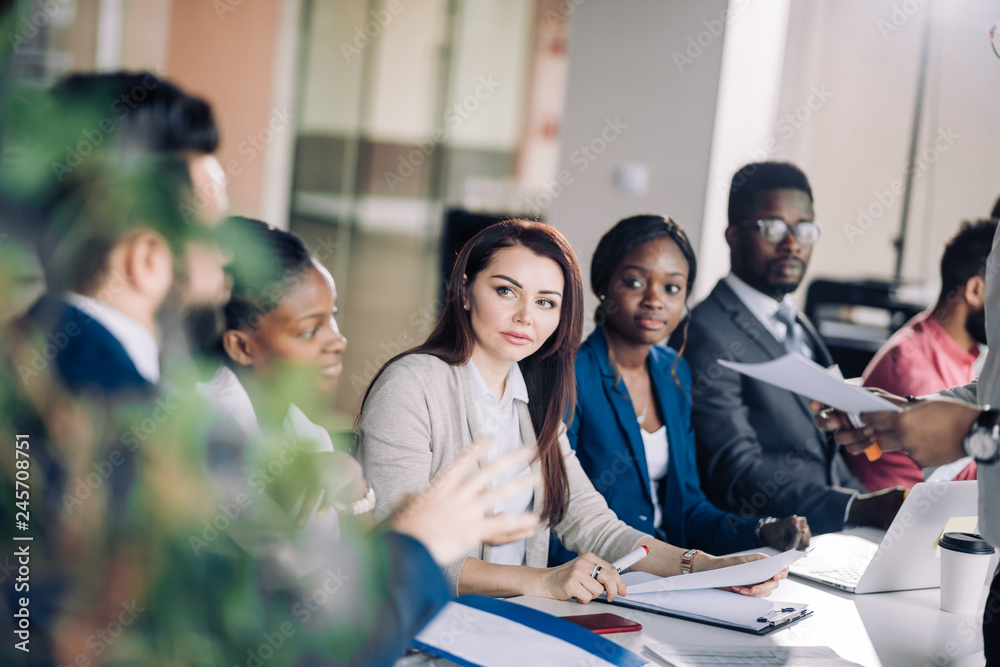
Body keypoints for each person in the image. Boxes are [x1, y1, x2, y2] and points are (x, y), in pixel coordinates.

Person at [359, 218, 786, 605]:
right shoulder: (412, 385)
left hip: (510, 628)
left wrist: (708, 566)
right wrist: (542, 580)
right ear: (465, 290)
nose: (525, 316)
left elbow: (596, 527)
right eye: (505, 290)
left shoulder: (535, 399)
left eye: (546, 302)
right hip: (422, 628)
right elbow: (398, 550)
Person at [551, 214, 809, 568]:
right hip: (591, 578)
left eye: (672, 288)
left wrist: (762, 530)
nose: (655, 300)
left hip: (665, 574)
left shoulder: (673, 372)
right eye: (635, 282)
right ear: (603, 284)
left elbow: (687, 508)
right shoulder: (571, 373)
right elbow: (560, 517)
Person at [678, 161, 904, 536]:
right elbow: (737, 472)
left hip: (833, 529)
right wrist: (856, 507)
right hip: (764, 541)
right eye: (773, 228)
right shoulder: (706, 331)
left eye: (804, 229)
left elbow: (827, 449)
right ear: (733, 235)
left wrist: (880, 505)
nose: (792, 244)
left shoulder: (795, 320)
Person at [854, 219, 996, 490]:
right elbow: (971, 481)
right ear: (975, 290)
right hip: (900, 518)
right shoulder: (915, 368)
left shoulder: (959, 350)